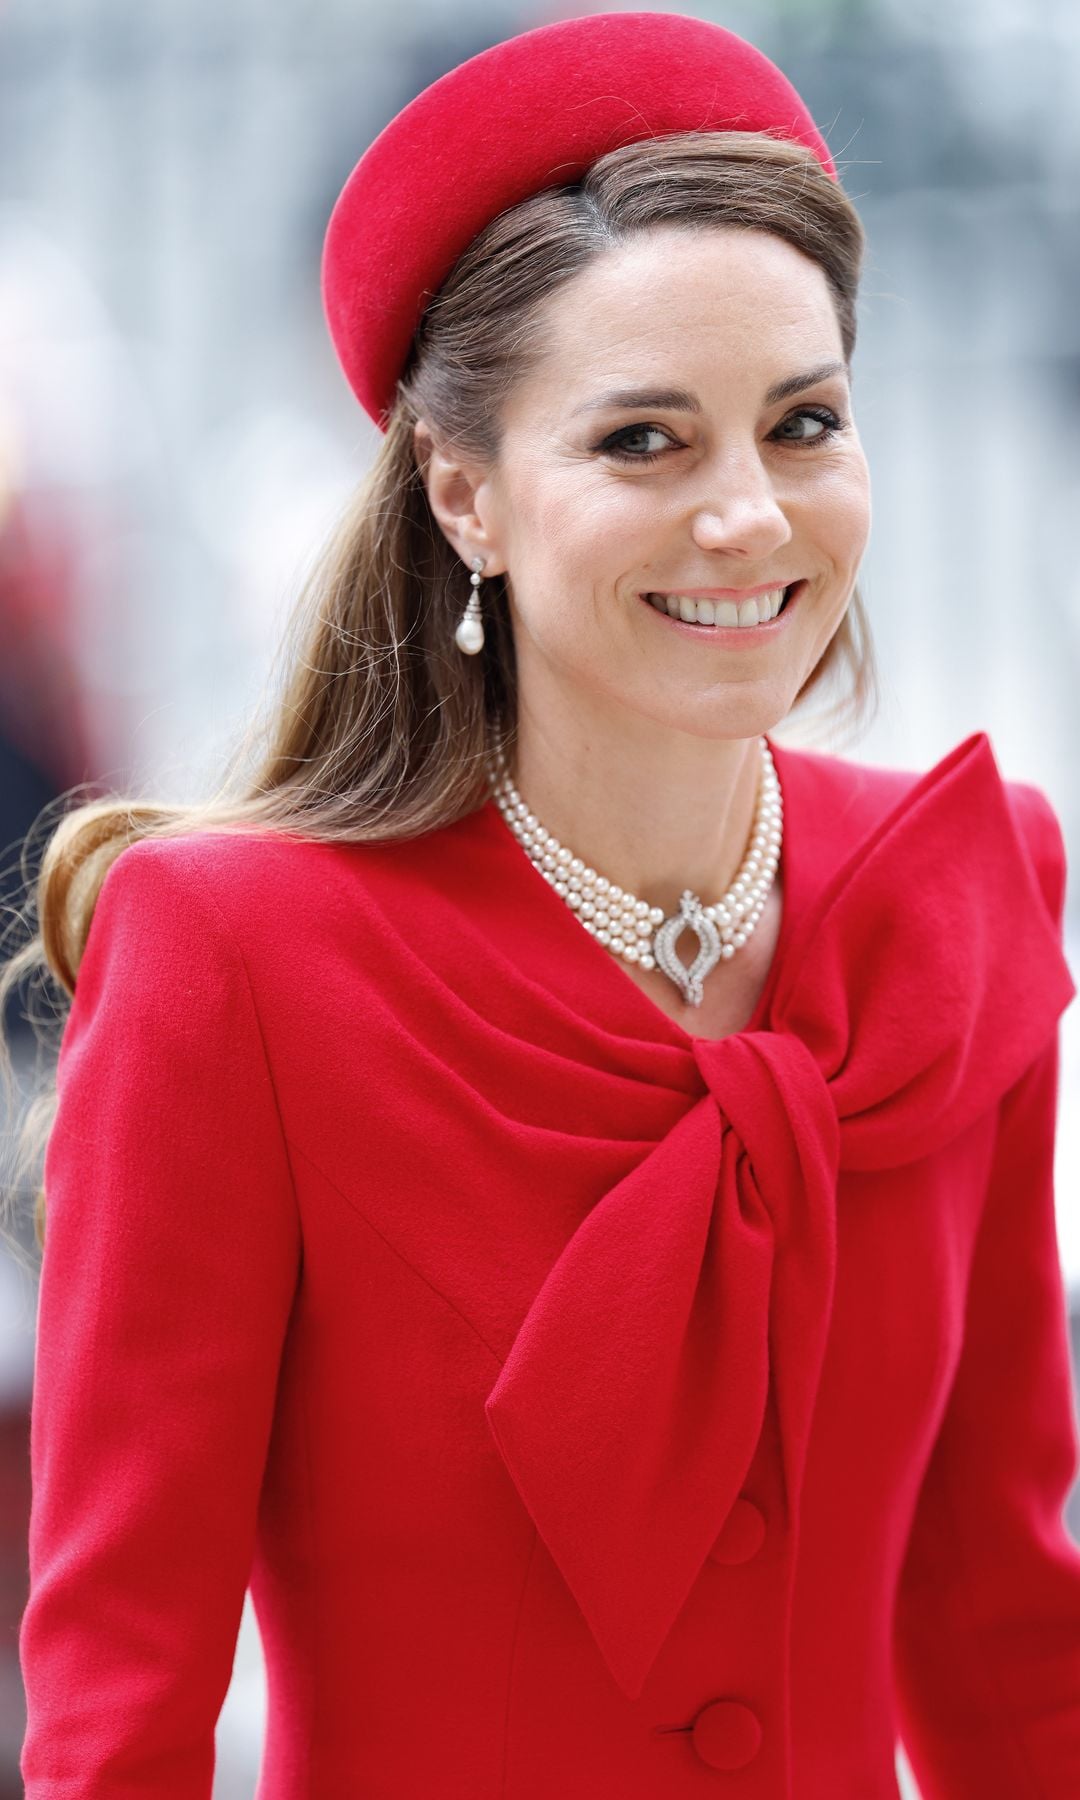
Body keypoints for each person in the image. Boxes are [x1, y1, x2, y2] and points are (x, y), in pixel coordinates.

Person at [9, 11, 1080, 1797]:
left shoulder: (960, 892)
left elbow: (1008, 1637)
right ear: (465, 494)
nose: (750, 514)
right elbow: (120, 1714)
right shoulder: (229, 958)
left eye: (802, 422)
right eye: (646, 442)